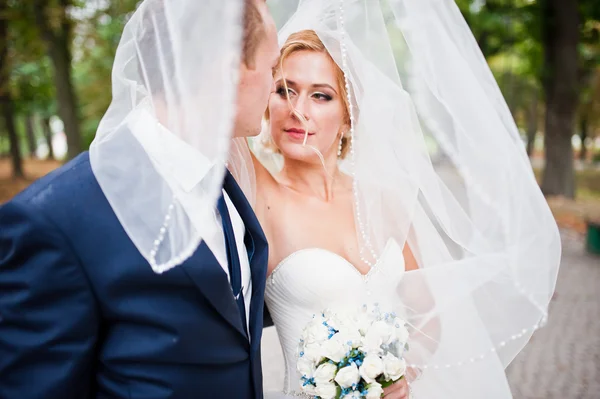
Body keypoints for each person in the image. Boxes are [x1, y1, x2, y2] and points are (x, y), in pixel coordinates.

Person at [249, 1, 561, 398]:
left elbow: (427, 316)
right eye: (284, 90)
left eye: (320, 96)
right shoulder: (258, 193)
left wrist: (403, 373)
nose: (297, 110)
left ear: (349, 115)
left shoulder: (385, 199)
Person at [0, 0, 279, 397]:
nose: (275, 84)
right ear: (229, 71)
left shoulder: (228, 183)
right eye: (271, 66)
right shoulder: (53, 221)